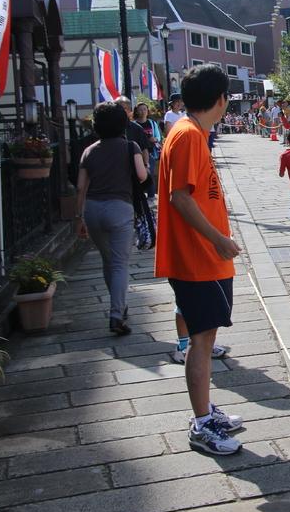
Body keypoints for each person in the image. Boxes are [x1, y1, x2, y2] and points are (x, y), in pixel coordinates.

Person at [154, 64, 244, 455]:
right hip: (198, 257)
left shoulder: (190, 132)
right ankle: (202, 423)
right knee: (201, 339)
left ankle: (206, 410)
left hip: (204, 255)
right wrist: (218, 239)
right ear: (221, 99)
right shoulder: (189, 135)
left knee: (205, 338)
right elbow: (180, 197)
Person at [75, 102, 147, 336]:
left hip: (93, 211)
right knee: (119, 264)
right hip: (120, 209)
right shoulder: (130, 146)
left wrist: (79, 218)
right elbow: (141, 175)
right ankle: (116, 314)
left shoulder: (89, 151)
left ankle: (120, 304)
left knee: (108, 260)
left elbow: (80, 187)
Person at [133, 102, 161, 199]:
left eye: (145, 109)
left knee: (150, 174)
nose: (143, 111)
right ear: (136, 111)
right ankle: (139, 196)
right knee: (138, 175)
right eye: (140, 109)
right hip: (138, 153)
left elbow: (158, 137)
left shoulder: (152, 123)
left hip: (150, 152)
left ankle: (151, 196)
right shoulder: (134, 125)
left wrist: (155, 139)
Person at [116, 96, 153, 168]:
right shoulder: (109, 128)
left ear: (130, 110)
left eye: (124, 108)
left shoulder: (137, 128)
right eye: (117, 108)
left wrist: (146, 166)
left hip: (134, 169)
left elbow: (144, 149)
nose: (119, 110)